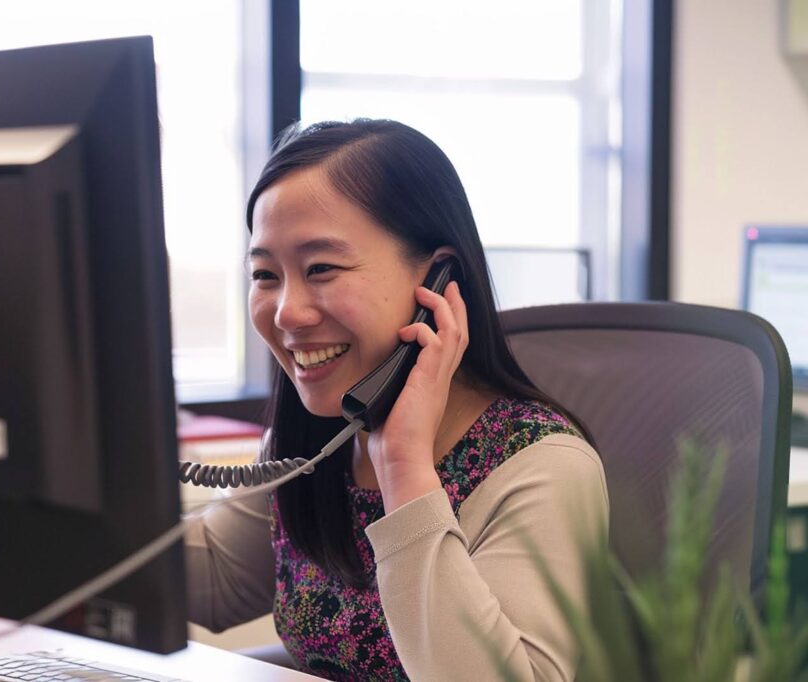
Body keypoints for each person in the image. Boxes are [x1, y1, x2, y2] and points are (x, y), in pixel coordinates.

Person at [185, 119, 609, 681]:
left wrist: (405, 469)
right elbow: (218, 578)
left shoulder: (542, 465)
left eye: (321, 269)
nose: (286, 311)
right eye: (265, 274)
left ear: (438, 279)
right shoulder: (319, 439)